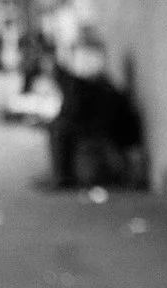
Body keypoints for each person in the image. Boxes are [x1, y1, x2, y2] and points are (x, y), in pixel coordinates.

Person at [44, 42, 142, 189]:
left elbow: (85, 117)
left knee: (59, 130)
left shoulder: (99, 88)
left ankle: (63, 179)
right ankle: (62, 177)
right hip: (98, 135)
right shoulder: (92, 85)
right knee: (58, 129)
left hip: (103, 139)